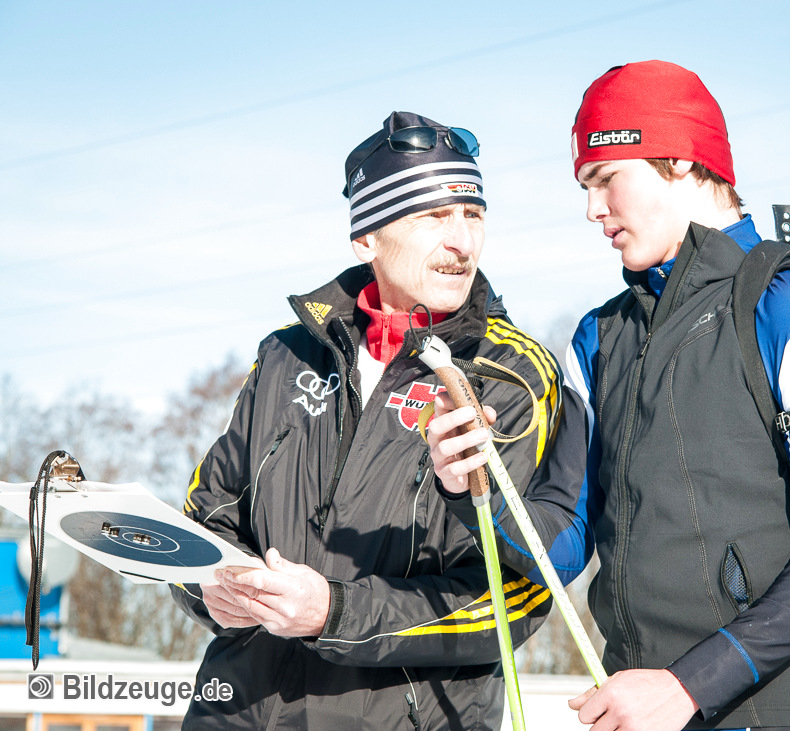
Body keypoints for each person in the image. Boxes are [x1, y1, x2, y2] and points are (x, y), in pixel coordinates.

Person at [427, 61, 790, 731]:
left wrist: (687, 686)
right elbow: (563, 541)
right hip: (634, 708)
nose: (591, 208)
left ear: (679, 159)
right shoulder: (599, 337)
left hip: (768, 709)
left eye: (605, 178)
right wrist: (476, 488)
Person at [170, 111, 568, 730]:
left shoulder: (512, 374)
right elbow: (206, 514)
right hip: (238, 711)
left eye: (473, 215)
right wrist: (210, 586)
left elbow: (514, 597)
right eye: (433, 216)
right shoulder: (285, 353)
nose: (462, 241)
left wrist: (333, 613)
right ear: (367, 238)